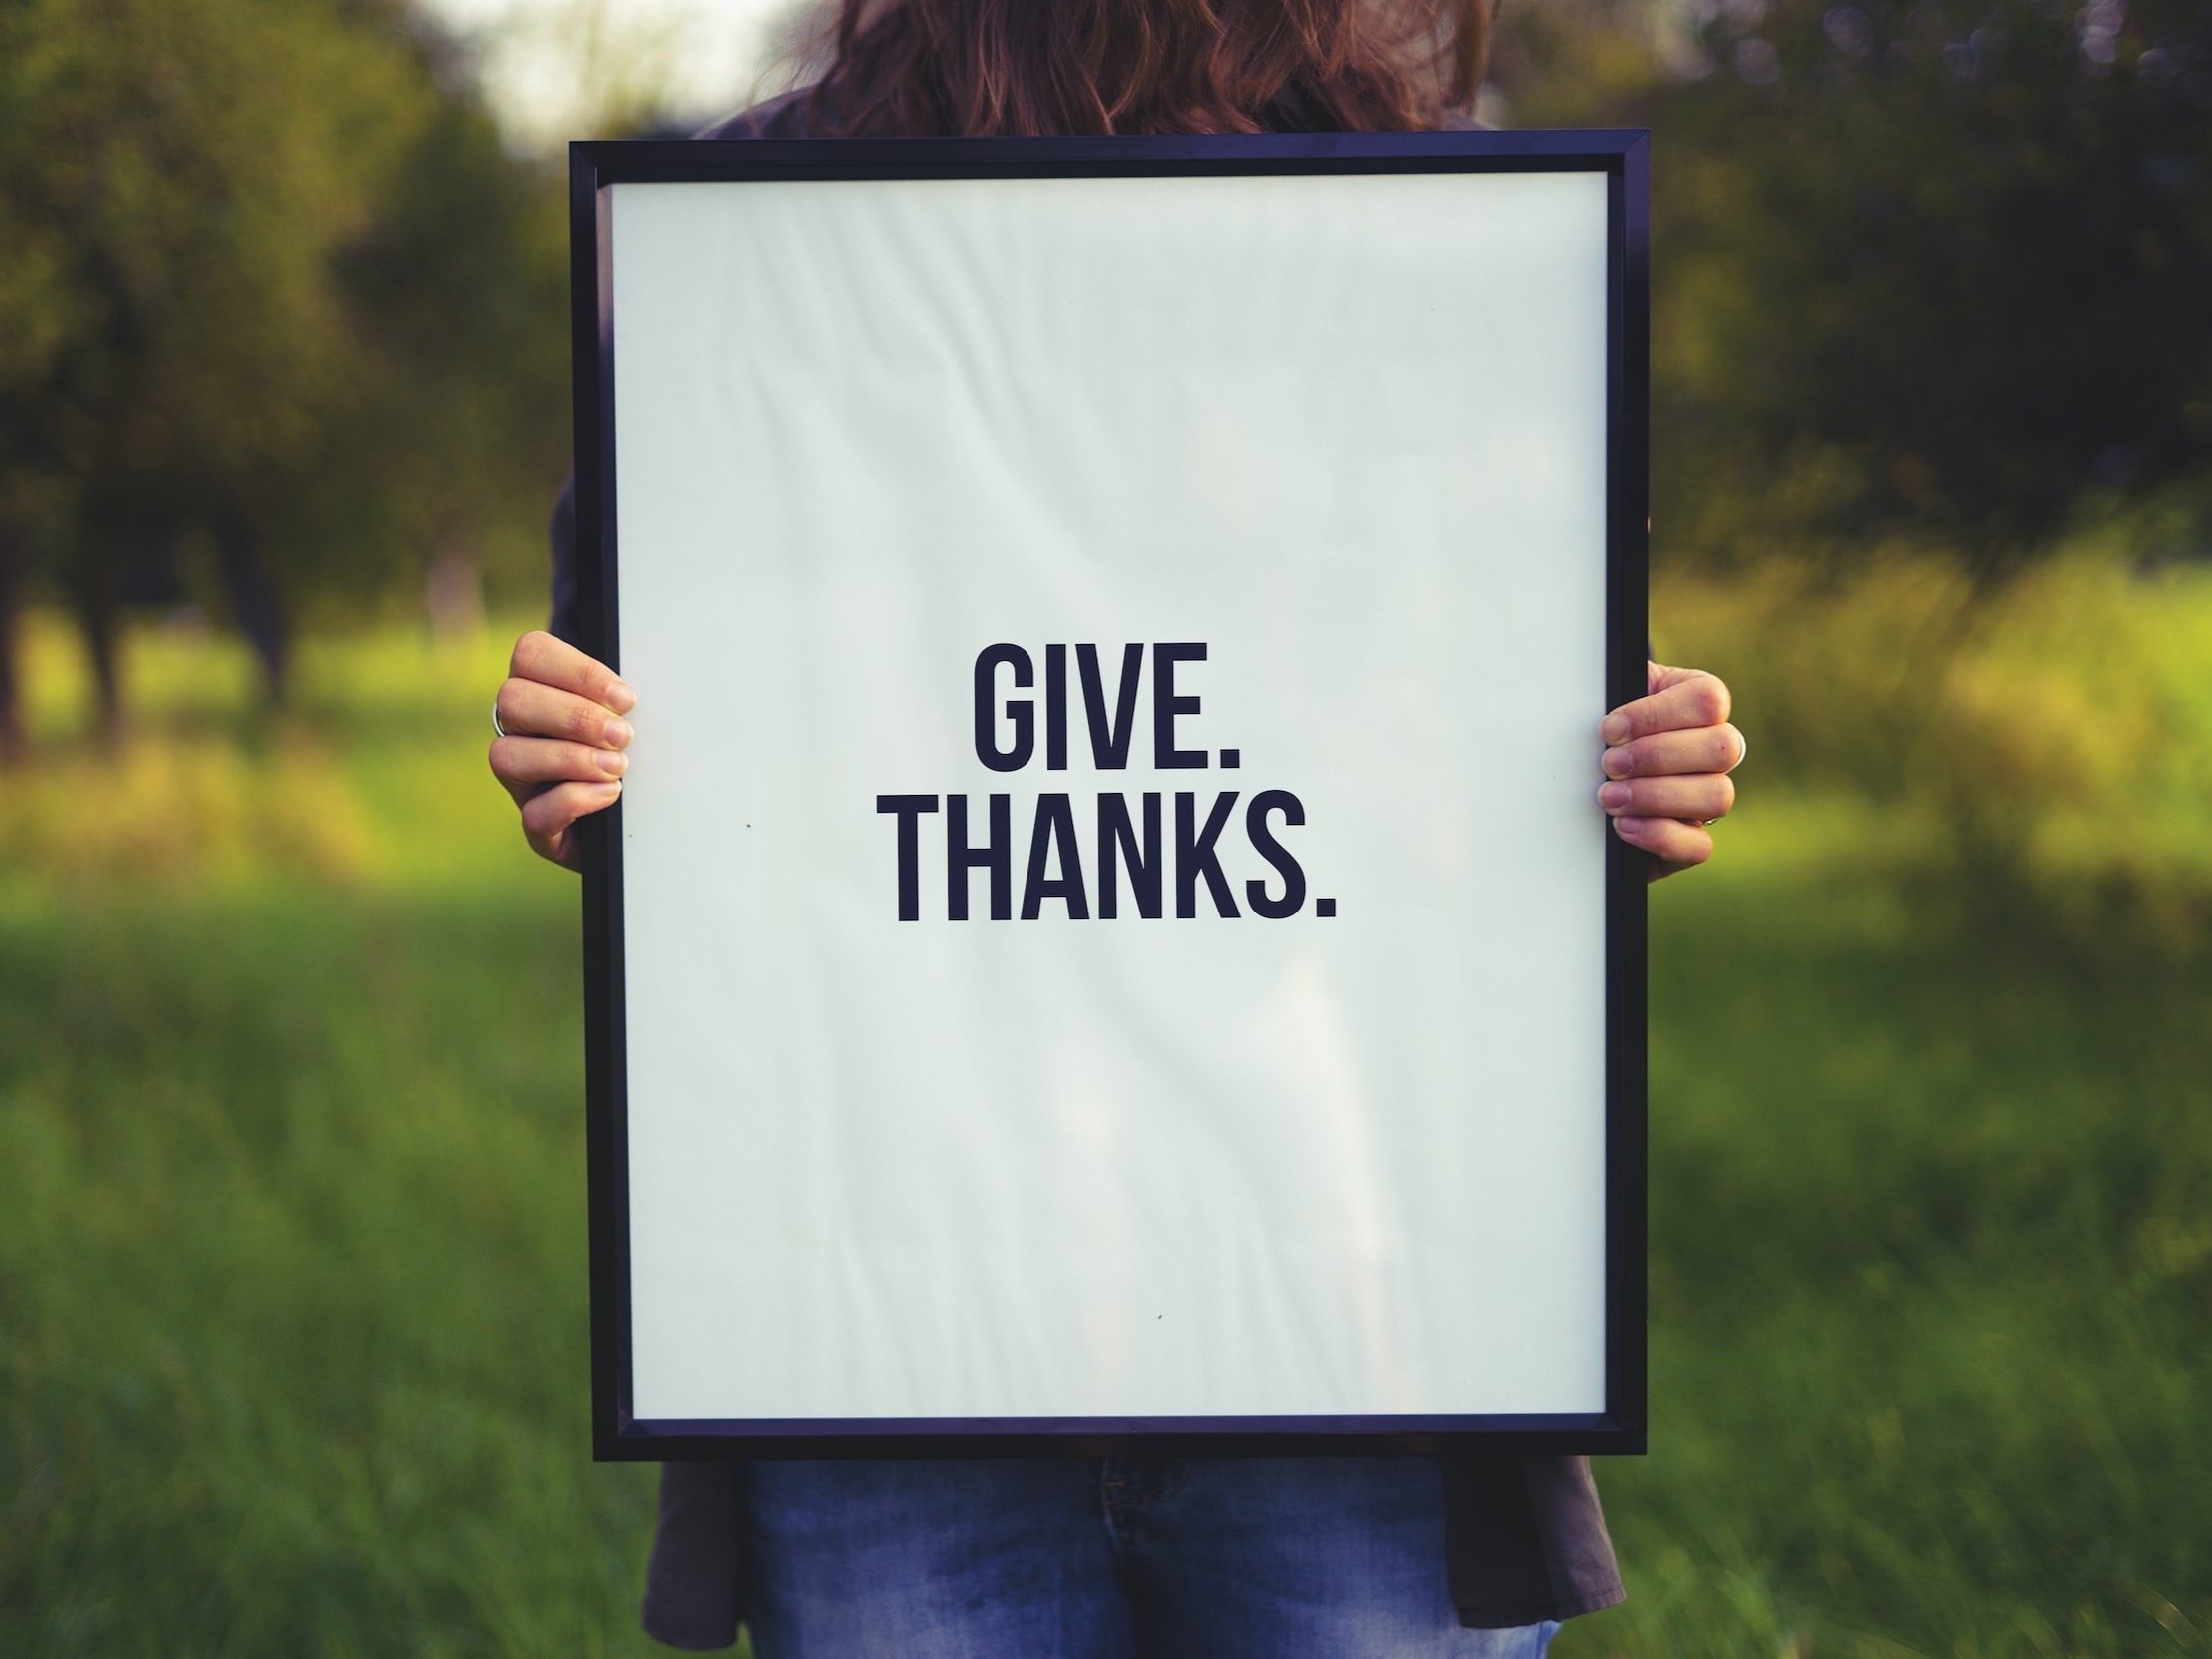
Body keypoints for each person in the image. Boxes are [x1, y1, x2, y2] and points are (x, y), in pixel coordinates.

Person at [489, 1, 1747, 1652]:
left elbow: (1480, 695)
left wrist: (1625, 763)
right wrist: (577, 761)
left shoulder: (1434, 222)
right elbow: (667, 732)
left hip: (1344, 1316)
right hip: (890, 1328)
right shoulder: (749, 233)